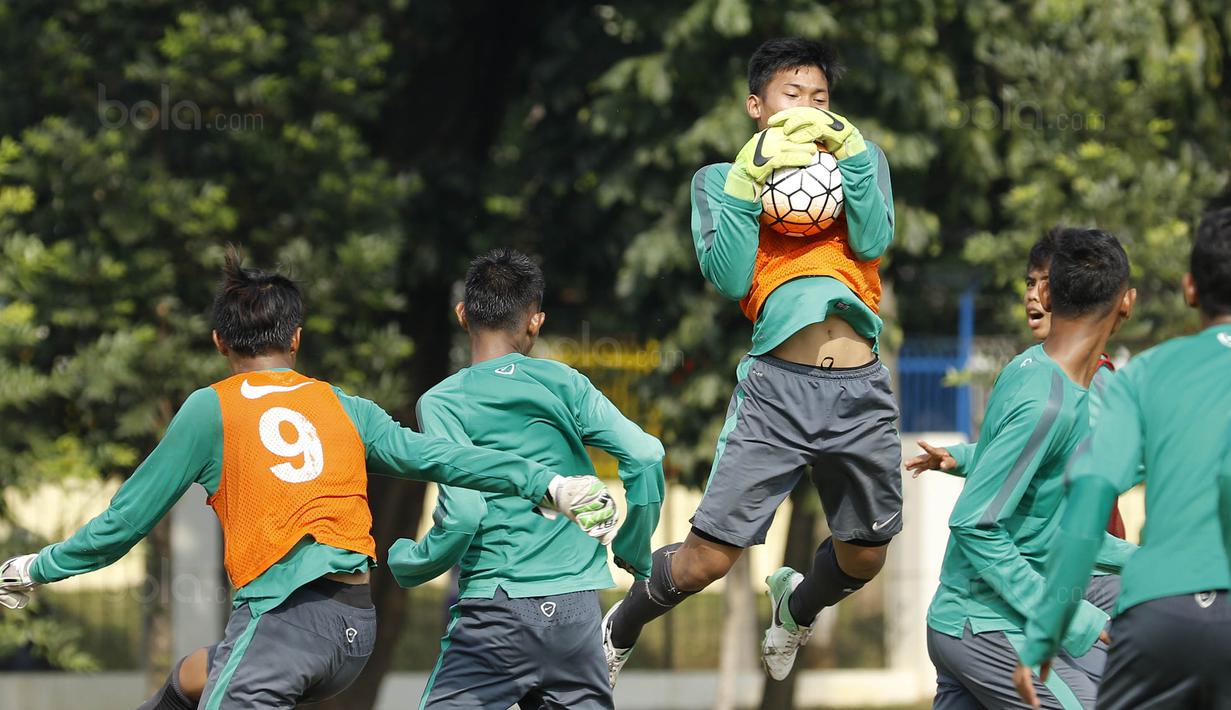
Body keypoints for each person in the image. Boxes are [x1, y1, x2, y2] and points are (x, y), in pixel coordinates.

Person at [0, 248, 618, 710]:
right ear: (296, 338)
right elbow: (446, 459)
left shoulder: (212, 408)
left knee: (239, 663)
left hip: (284, 622)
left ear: (219, 342)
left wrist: (35, 567)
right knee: (199, 674)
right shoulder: (342, 405)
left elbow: (124, 522)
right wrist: (550, 485)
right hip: (353, 633)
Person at [603, 36, 899, 684]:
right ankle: (621, 623)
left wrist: (850, 154)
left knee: (865, 556)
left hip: (860, 388)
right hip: (777, 392)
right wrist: (747, 179)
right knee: (706, 562)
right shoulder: (719, 180)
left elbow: (875, 238)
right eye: (793, 96)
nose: (809, 110)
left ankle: (794, 606)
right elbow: (732, 276)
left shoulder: (860, 158)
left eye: (821, 99)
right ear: (756, 106)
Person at [387, 248, 665, 709]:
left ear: (462, 314)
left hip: (495, 610)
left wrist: (408, 563)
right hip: (576, 611)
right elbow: (646, 454)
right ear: (535, 322)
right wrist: (633, 548)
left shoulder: (442, 401)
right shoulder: (565, 383)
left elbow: (464, 513)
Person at [1013, 208, 1231, 709]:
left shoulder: (1146, 373)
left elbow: (1089, 498)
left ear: (1190, 289)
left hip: (1160, 613)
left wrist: (1047, 629)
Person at [925, 228, 1137, 709]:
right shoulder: (1048, 401)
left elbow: (1049, 529)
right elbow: (974, 523)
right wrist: (1073, 619)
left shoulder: (1037, 371)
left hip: (979, 621)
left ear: (1049, 294)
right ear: (1126, 303)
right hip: (985, 624)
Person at [908, 229, 1127, 540]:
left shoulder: (1096, 379)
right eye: (1030, 283)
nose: (1034, 294)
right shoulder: (1027, 368)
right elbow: (1028, 448)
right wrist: (962, 456)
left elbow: (1078, 461)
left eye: (1047, 283)